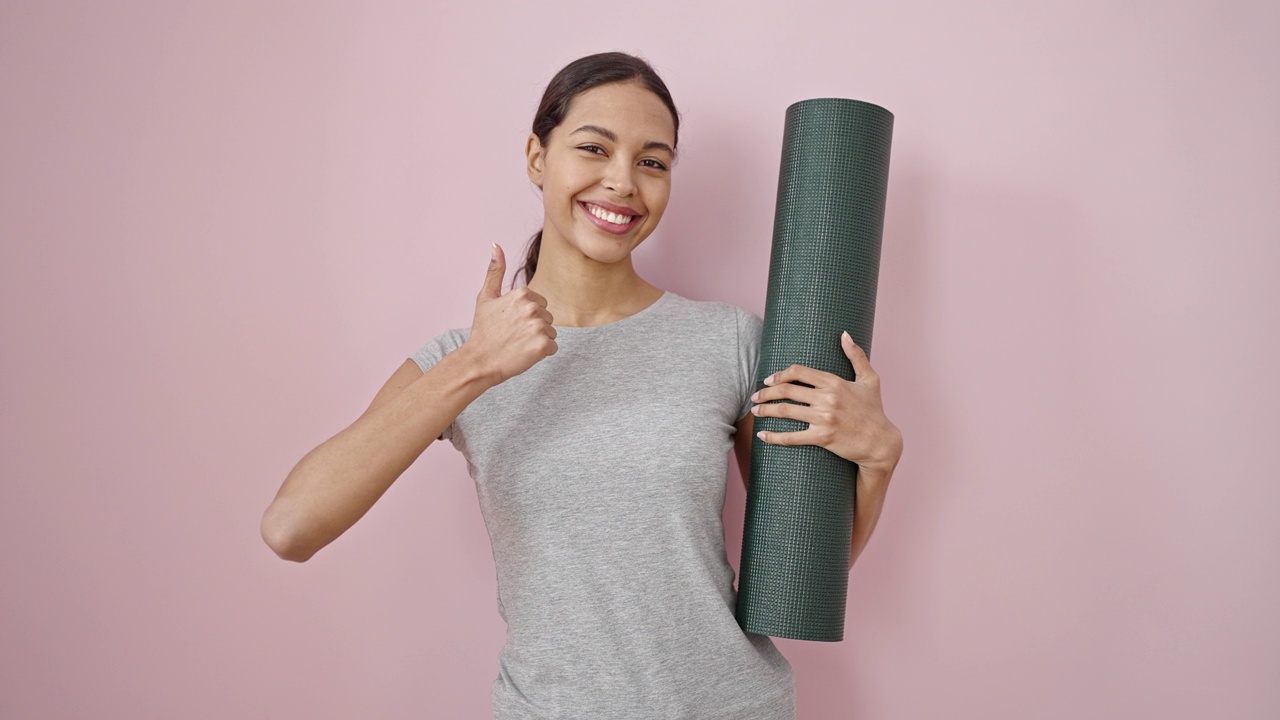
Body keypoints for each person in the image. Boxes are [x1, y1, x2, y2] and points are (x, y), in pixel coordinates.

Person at [261, 51, 903, 719]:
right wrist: (477, 366)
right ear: (538, 158)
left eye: (652, 161)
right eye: (594, 148)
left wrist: (879, 465)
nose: (623, 181)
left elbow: (798, 575)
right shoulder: (461, 360)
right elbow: (291, 527)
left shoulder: (728, 342)